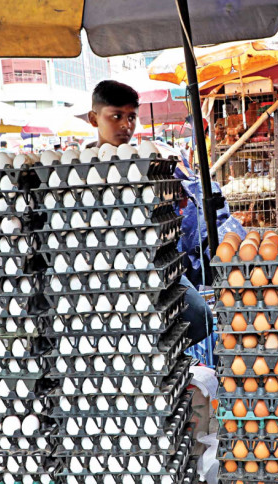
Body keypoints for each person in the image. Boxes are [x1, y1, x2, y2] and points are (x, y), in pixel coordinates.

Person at [87, 80, 213, 348]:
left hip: (153, 264)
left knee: (200, 317)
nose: (126, 125)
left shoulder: (147, 162)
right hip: (102, 271)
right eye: (116, 116)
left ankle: (164, 356)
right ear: (93, 118)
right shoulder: (78, 169)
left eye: (131, 117)